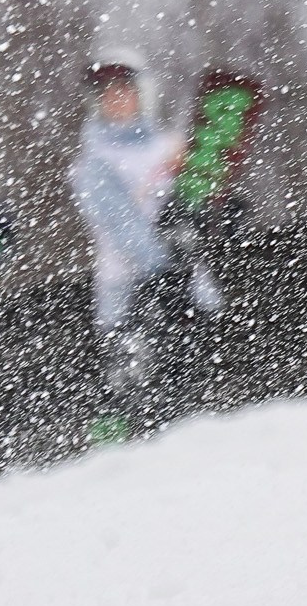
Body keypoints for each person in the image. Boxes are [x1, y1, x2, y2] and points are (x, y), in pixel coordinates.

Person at [70, 58, 214, 400]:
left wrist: (215, 217)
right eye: (105, 92)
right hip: (129, 294)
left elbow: (197, 199)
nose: (115, 98)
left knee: (200, 392)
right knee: (143, 395)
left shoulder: (171, 148)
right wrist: (164, 267)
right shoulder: (93, 164)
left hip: (189, 288)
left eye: (124, 89)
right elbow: (120, 224)